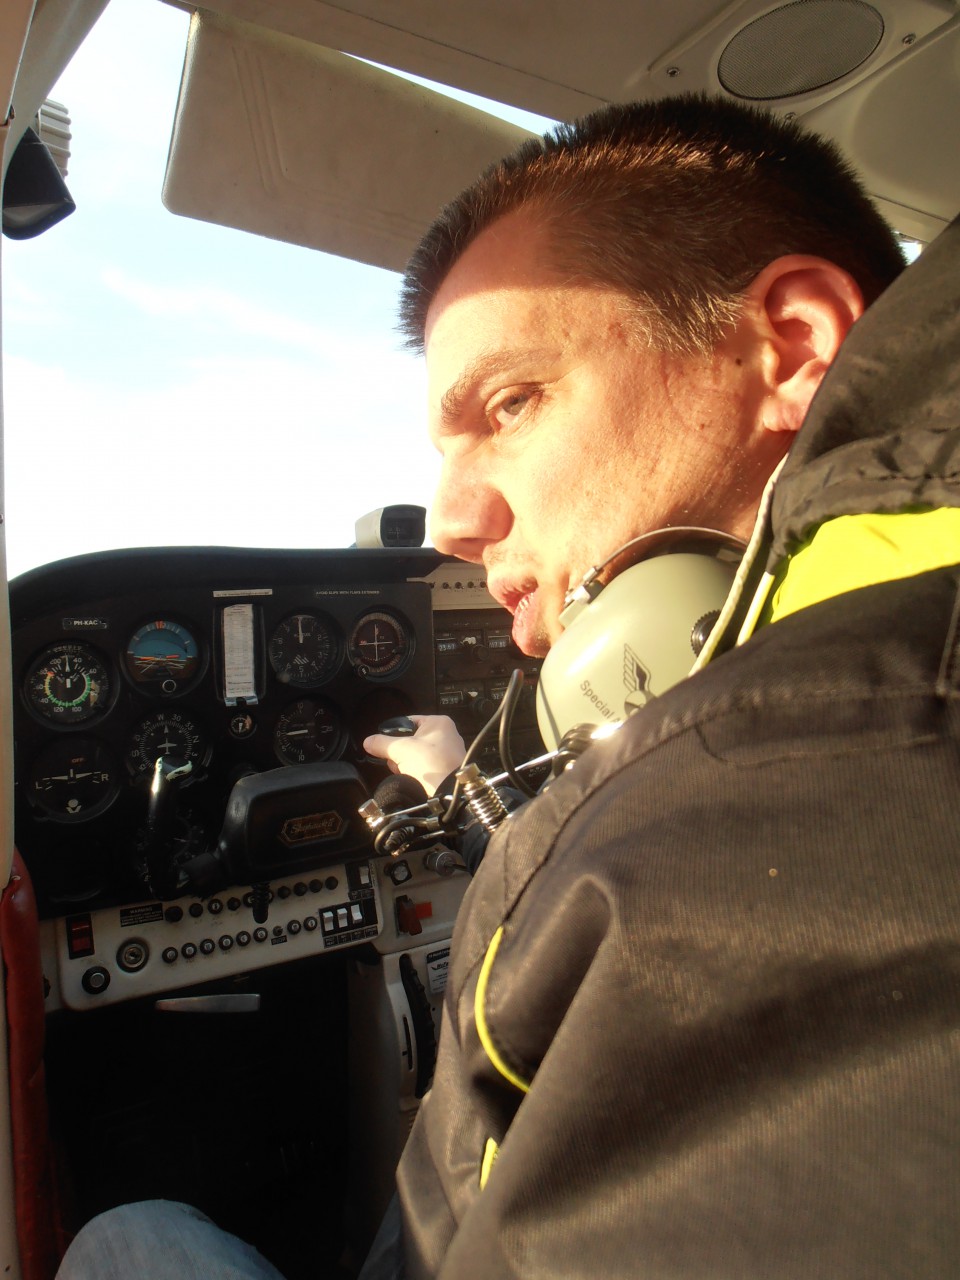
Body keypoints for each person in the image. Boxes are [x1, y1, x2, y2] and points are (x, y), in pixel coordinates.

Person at [58, 94, 960, 1279]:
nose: (452, 520)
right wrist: (477, 801)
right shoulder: (827, 708)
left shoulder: (823, 780)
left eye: (512, 403)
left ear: (791, 345)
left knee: (123, 1235)